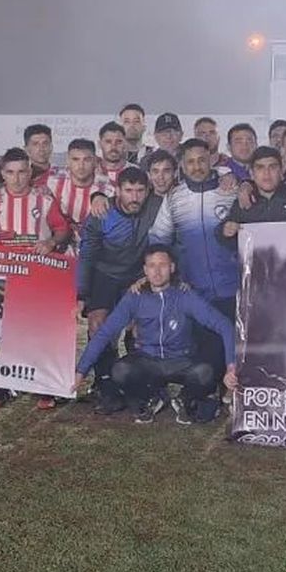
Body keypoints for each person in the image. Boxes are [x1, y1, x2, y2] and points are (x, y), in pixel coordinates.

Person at [75, 247, 238, 423]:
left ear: (172, 268)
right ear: (145, 270)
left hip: (181, 360)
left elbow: (224, 325)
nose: (157, 271)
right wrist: (81, 370)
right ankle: (152, 396)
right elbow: (105, 332)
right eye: (152, 266)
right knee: (121, 370)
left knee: (205, 372)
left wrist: (231, 367)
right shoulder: (134, 296)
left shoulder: (185, 295)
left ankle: (185, 399)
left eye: (163, 265)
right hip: (147, 360)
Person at [0, 147, 69, 411]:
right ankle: (0, 388)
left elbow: (62, 229)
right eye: (11, 172)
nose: (17, 178)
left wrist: (51, 241)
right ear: (2, 174)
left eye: (22, 171)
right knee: (2, 334)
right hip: (1, 279)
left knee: (38, 332)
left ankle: (43, 387)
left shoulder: (44, 199)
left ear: (30, 171)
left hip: (37, 277)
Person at [150, 138, 241, 379]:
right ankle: (209, 393)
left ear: (212, 159)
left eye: (202, 160)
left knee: (240, 347)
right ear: (182, 165)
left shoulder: (231, 190)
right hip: (195, 290)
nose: (197, 166)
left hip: (236, 286)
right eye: (190, 162)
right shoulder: (174, 197)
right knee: (206, 352)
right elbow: (158, 241)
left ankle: (237, 394)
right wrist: (171, 277)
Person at [76, 168, 161, 411]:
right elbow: (87, 254)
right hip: (105, 275)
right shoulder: (101, 213)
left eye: (140, 191)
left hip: (138, 275)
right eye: (128, 190)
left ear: (148, 191)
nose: (134, 197)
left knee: (141, 328)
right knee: (98, 325)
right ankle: (106, 385)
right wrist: (82, 294)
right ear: (117, 191)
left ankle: (140, 384)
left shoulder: (157, 206)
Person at [220, 146, 286, 241]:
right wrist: (226, 230)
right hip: (259, 261)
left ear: (282, 170)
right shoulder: (244, 202)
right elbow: (223, 235)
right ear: (252, 173)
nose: (267, 173)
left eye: (272, 167)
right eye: (260, 167)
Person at [46, 138, 112, 247]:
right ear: (67, 161)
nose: (81, 166)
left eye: (87, 160)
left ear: (95, 161)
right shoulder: (52, 182)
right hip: (59, 248)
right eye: (75, 159)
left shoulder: (107, 190)